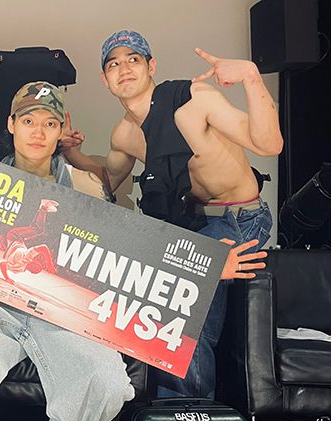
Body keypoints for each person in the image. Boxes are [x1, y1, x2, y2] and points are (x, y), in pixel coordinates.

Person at [0, 81, 266, 421]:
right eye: (28, 122)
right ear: (11, 124)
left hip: (65, 315)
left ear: (61, 130)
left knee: (110, 383)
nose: (38, 132)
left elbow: (131, 247)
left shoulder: (85, 184)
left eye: (49, 123)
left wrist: (207, 266)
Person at [60, 30, 283, 399]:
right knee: (146, 292)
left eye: (133, 59)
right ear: (105, 79)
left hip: (237, 219)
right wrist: (72, 153)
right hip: (189, 226)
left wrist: (250, 76)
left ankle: (187, 411)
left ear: (151, 67)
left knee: (182, 300)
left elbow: (269, 143)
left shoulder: (193, 100)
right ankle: (166, 410)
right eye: (113, 64)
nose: (124, 68)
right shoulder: (125, 134)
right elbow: (108, 181)